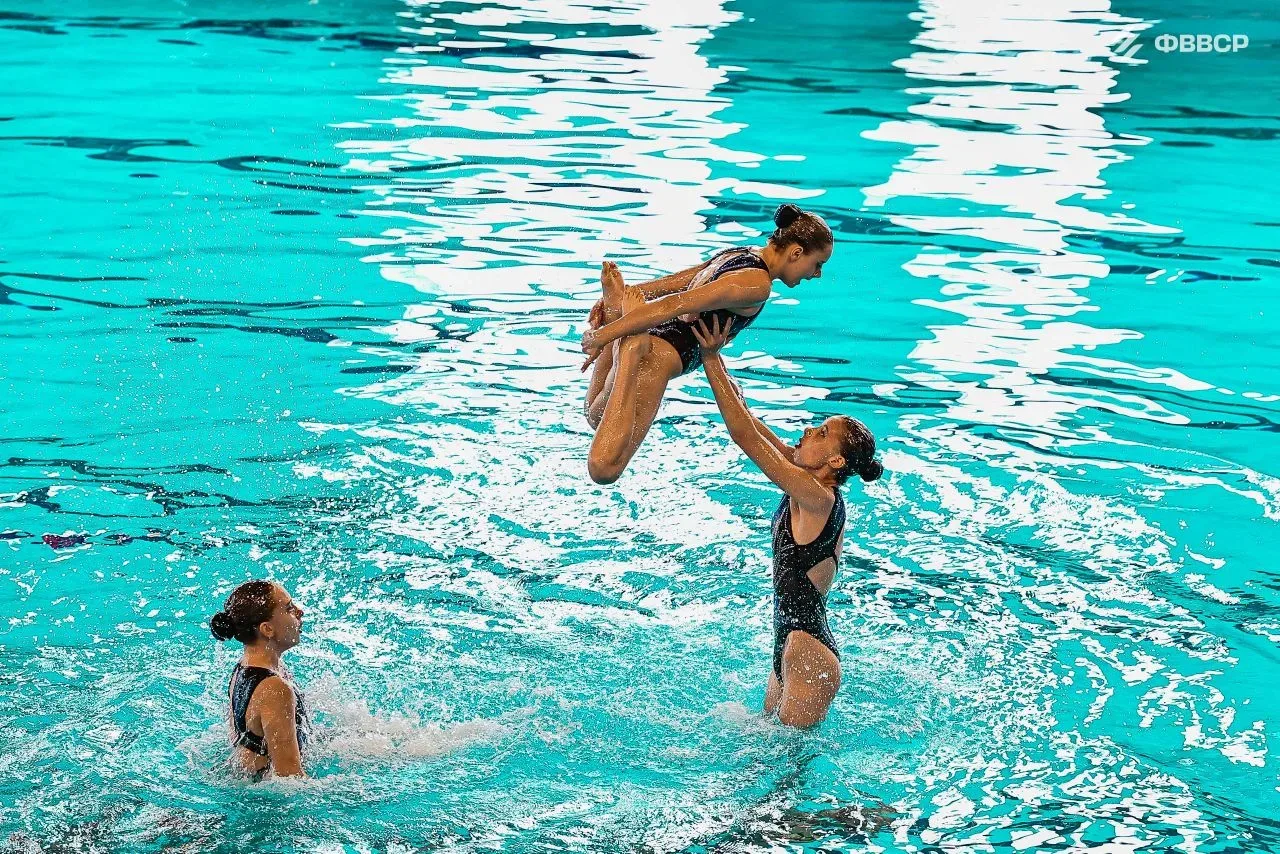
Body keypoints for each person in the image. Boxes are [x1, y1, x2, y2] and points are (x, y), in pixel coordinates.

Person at [692, 315, 882, 727]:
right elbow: (748, 422)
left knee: (788, 763)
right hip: (789, 644)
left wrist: (708, 359)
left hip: (810, 653)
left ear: (835, 461)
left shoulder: (817, 498)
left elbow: (743, 436)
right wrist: (714, 356)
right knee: (768, 751)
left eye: (822, 433)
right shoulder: (805, 486)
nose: (809, 429)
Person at [580, 203, 833, 484]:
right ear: (796, 252)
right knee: (605, 469)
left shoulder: (743, 253)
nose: (817, 274)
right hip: (658, 357)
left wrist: (632, 294)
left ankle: (619, 317)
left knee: (597, 417)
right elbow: (677, 303)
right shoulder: (756, 284)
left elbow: (682, 281)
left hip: (653, 334)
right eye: (818, 264)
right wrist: (602, 336)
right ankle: (630, 346)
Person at [209, 580, 310, 778]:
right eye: (289, 608)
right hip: (260, 790)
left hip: (246, 777)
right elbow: (290, 777)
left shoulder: (245, 667)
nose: (300, 612)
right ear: (267, 629)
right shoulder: (275, 688)